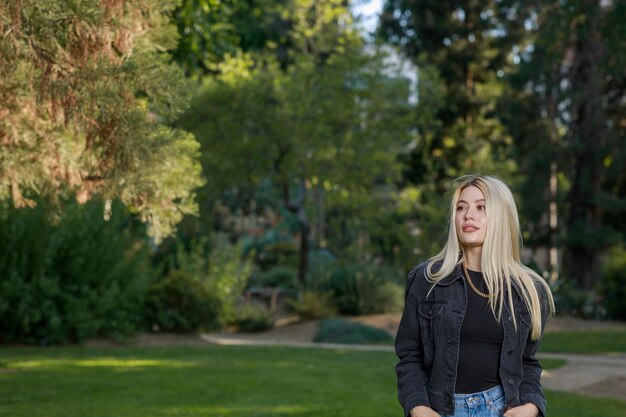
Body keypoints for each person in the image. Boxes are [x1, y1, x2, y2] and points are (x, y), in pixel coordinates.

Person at [395, 175, 555, 417]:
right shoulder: (427, 280)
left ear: (502, 216)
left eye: (481, 207)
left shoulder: (529, 289)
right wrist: (418, 407)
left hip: (502, 408)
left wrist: (531, 407)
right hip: (439, 409)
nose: (468, 215)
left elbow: (528, 363)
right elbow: (409, 355)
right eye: (461, 207)